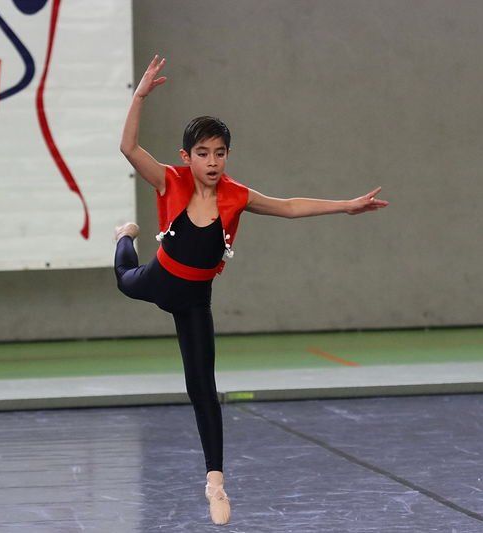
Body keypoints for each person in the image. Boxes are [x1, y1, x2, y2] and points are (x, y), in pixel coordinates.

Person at [115, 55, 389, 526]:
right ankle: (124, 235)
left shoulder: (236, 196)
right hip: (159, 278)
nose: (212, 162)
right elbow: (128, 146)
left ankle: (215, 483)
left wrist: (345, 206)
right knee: (125, 278)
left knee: (202, 387)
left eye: (220, 153)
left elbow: (289, 206)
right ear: (187, 157)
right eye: (203, 153)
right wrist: (139, 96)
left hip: (195, 299)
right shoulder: (169, 180)